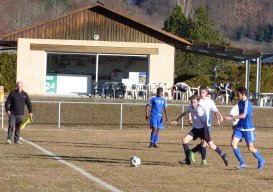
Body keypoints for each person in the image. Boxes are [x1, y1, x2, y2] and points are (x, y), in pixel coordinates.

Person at [171, 95, 228, 166]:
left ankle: (223, 155)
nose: (192, 104)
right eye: (191, 102)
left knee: (211, 145)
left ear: (197, 102)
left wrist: (205, 134)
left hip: (203, 129)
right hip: (195, 129)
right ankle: (188, 159)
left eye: (194, 102)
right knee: (184, 140)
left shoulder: (200, 110)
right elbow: (184, 113)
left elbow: (205, 122)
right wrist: (176, 120)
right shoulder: (191, 107)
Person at [225, 87, 265, 170]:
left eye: (238, 94)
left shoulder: (247, 103)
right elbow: (240, 116)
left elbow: (243, 115)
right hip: (239, 127)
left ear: (243, 94)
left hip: (248, 128)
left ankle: (261, 160)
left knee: (250, 148)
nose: (237, 96)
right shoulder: (240, 103)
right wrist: (235, 120)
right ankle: (242, 163)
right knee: (233, 143)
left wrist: (231, 118)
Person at [181, 87, 223, 165]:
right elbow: (190, 109)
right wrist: (189, 117)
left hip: (206, 124)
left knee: (205, 143)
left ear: (206, 93)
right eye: (200, 92)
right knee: (203, 142)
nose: (201, 94)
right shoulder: (197, 100)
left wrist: (219, 117)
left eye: (203, 92)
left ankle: (196, 155)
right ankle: (199, 159)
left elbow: (215, 110)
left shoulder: (209, 101)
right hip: (198, 126)